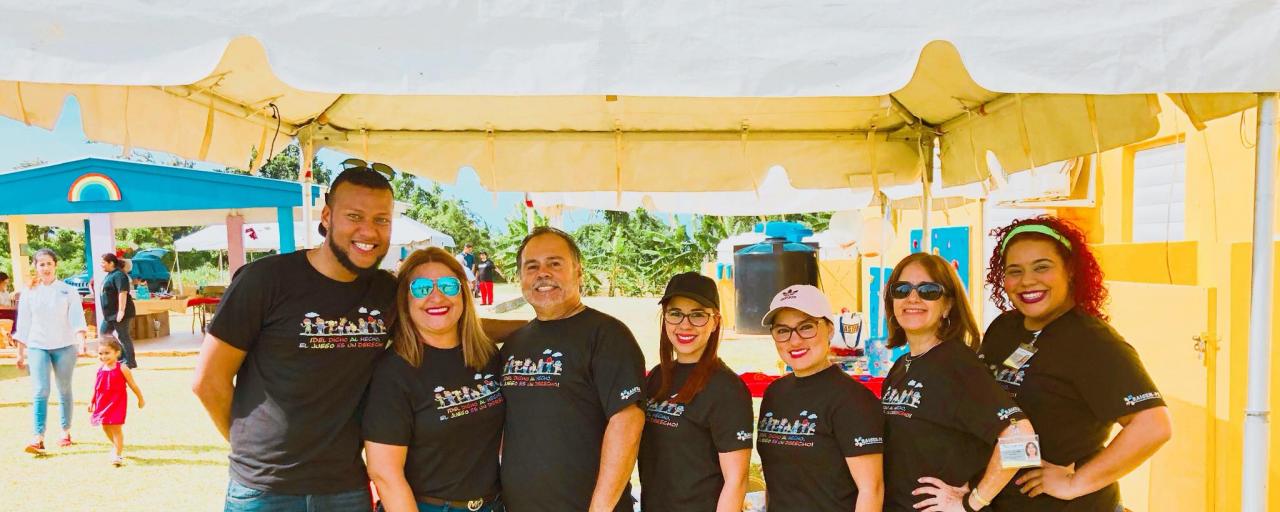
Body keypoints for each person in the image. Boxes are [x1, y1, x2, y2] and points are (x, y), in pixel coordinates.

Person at [192, 162, 401, 510]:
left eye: (381, 220)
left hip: (345, 486)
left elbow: (450, 328)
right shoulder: (265, 280)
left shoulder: (386, 291)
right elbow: (208, 381)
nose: (369, 231)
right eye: (354, 216)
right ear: (327, 217)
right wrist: (252, 455)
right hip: (264, 492)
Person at [980, 216, 1172, 510]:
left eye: (1042, 267)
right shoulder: (1004, 329)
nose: (1027, 280)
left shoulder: (1093, 342)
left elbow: (1153, 425)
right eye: (1014, 271)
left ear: (1070, 269)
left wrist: (1075, 482)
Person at [499, 227, 646, 512]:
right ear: (521, 279)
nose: (543, 273)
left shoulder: (607, 335)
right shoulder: (514, 343)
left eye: (554, 263)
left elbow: (627, 421)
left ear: (578, 272)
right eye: (532, 266)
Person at [879, 253, 1035, 512]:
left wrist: (973, 501)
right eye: (902, 289)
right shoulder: (901, 366)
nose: (912, 298)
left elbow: (1022, 437)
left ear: (948, 305)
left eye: (929, 290)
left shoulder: (956, 364)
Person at [364, 247, 505, 512]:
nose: (436, 296)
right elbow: (385, 472)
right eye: (421, 288)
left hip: (492, 504)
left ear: (463, 293)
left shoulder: (486, 356)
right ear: (405, 299)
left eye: (449, 286)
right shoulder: (394, 372)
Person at [756, 284, 884, 512]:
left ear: (830, 329)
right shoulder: (774, 393)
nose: (794, 341)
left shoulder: (853, 400)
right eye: (782, 330)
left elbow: (871, 490)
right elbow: (777, 480)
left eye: (806, 328)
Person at [638, 272, 753, 512]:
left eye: (698, 315)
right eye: (675, 313)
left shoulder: (728, 389)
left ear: (715, 322)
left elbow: (736, 481)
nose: (685, 324)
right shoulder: (657, 377)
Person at [14, 248, 88, 454]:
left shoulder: (67, 290)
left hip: (65, 346)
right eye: (41, 264)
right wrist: (20, 352)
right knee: (40, 390)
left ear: (55, 265)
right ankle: (38, 437)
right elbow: (24, 324)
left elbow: (76, 319)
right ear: (36, 267)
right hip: (38, 346)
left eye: (49, 263)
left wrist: (81, 342)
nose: (45, 267)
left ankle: (65, 431)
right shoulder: (29, 292)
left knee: (64, 389)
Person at [89, 335, 145, 467]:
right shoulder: (100, 370)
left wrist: (140, 398)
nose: (103, 356)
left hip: (117, 403)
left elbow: (133, 385)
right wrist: (92, 402)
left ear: (117, 353)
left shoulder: (122, 368)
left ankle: (118, 455)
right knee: (105, 427)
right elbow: (96, 388)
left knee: (116, 428)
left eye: (107, 353)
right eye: (100, 353)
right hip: (103, 403)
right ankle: (116, 446)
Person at [99, 253, 137, 369]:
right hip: (110, 314)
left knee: (123, 336)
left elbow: (122, 293)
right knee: (104, 334)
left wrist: (121, 311)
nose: (101, 265)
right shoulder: (110, 275)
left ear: (111, 263)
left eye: (103, 262)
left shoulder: (119, 275)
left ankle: (130, 362)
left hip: (120, 313)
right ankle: (121, 357)